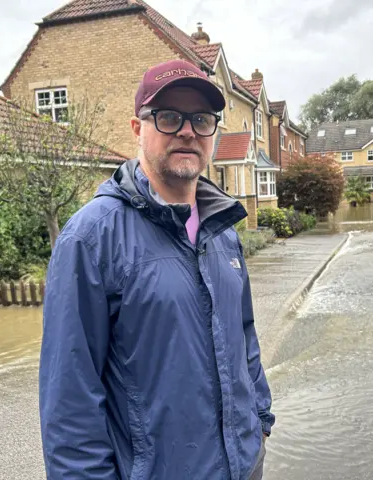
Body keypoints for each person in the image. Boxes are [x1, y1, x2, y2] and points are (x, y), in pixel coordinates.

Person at [39, 59, 274, 480]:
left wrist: (260, 418)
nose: (187, 131)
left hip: (244, 466)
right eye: (168, 117)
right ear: (137, 128)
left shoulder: (223, 230)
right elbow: (69, 399)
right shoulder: (91, 238)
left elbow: (245, 335)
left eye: (201, 119)